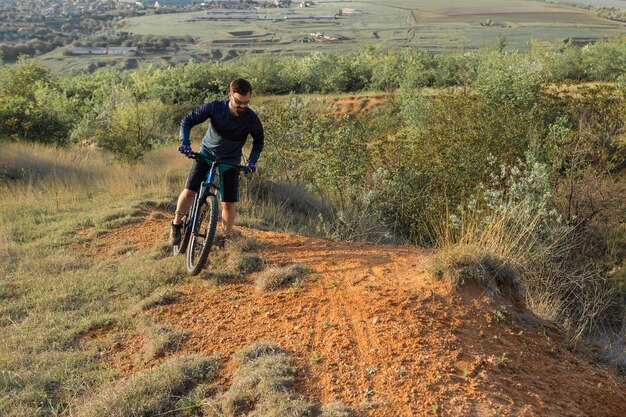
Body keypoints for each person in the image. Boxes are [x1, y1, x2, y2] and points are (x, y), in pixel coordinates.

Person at [170, 78, 264, 245]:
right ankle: (176, 224)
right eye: (238, 102)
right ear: (230, 95)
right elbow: (187, 121)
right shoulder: (215, 107)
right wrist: (185, 143)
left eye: (246, 102)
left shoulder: (251, 119)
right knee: (189, 192)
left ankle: (226, 239)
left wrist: (252, 161)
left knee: (228, 203)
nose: (242, 106)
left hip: (231, 160)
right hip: (206, 154)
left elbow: (259, 140)